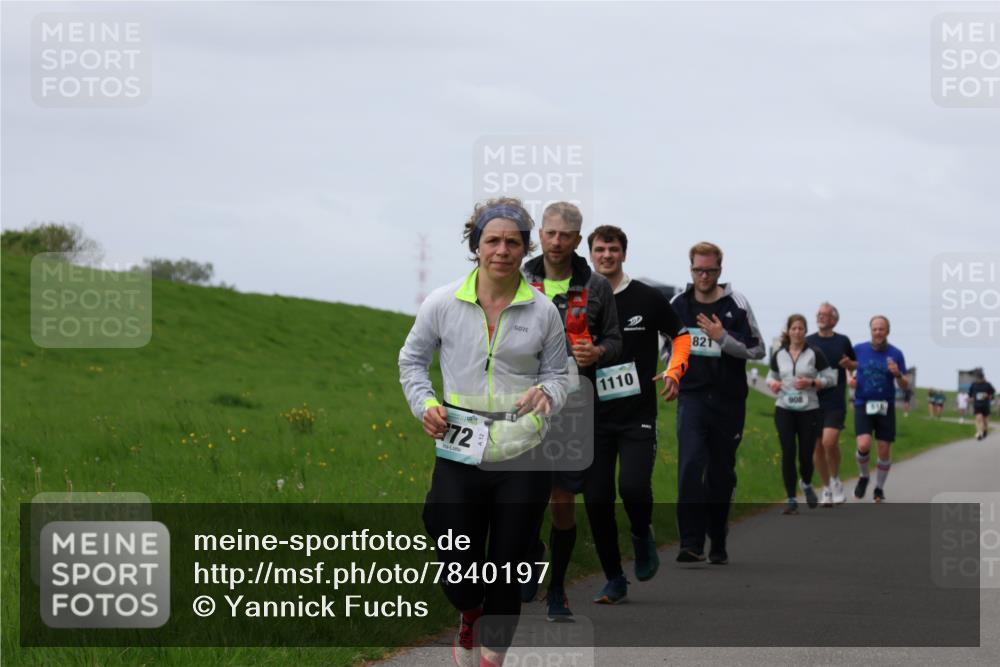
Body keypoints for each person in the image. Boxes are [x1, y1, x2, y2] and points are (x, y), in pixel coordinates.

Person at [398, 198, 570, 667]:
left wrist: (547, 395)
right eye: (492, 240)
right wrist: (426, 404)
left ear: (524, 248)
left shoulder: (542, 311)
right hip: (460, 451)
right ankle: (469, 610)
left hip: (524, 452)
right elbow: (411, 361)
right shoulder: (443, 302)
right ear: (476, 246)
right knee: (458, 565)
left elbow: (559, 373)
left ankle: (493, 655)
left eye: (512, 242)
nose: (502, 250)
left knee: (507, 569)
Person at [520, 202, 622, 622]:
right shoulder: (520, 278)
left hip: (574, 406)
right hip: (523, 405)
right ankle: (530, 552)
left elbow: (615, 341)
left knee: (562, 504)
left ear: (578, 240)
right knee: (524, 499)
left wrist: (596, 350)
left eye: (566, 235)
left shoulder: (596, 286)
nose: (557, 242)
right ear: (540, 235)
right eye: (550, 233)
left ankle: (557, 589)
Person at [584, 225, 691, 604]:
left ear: (623, 254)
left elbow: (680, 334)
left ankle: (642, 532)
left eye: (613, 249)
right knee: (596, 500)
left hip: (637, 414)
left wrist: (675, 369)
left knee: (631, 487)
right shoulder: (580, 298)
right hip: (592, 416)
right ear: (591, 254)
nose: (607, 255)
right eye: (600, 249)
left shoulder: (646, 297)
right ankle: (614, 577)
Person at [670, 242, 766, 564]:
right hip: (692, 397)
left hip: (728, 400)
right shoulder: (678, 304)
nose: (704, 276)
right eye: (698, 270)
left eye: (710, 270)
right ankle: (690, 542)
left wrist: (722, 337)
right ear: (691, 269)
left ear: (720, 270)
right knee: (690, 466)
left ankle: (718, 536)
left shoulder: (736, 304)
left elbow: (757, 349)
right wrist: (672, 371)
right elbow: (665, 349)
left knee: (720, 474)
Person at [767, 314, 837, 514]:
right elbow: (771, 376)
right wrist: (773, 384)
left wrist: (813, 382)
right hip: (784, 409)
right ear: (788, 331)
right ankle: (791, 499)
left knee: (806, 454)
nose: (797, 332)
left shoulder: (815, 353)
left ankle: (806, 483)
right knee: (788, 452)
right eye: (794, 328)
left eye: (801, 328)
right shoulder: (779, 354)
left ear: (805, 332)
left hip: (809, 411)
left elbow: (831, 377)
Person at [849, 315, 909, 503]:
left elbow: (905, 384)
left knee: (883, 449)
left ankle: (879, 489)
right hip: (863, 403)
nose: (878, 332)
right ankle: (864, 476)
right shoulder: (858, 349)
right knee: (864, 444)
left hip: (885, 405)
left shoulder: (896, 353)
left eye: (881, 329)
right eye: (874, 329)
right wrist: (849, 377)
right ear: (870, 331)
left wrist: (897, 373)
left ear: (887, 331)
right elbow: (846, 366)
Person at [805, 302, 856, 506]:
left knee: (829, 442)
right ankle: (826, 488)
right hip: (812, 400)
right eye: (818, 314)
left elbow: (855, 363)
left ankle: (836, 481)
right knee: (816, 447)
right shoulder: (808, 341)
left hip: (835, 399)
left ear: (834, 320)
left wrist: (850, 366)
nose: (820, 317)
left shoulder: (843, 341)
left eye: (825, 314)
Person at [968, 370, 996, 440]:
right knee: (978, 418)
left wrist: (988, 395)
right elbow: (970, 394)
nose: (978, 380)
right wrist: (970, 398)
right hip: (977, 405)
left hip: (985, 405)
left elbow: (993, 394)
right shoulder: (973, 384)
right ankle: (979, 433)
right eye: (977, 378)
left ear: (983, 378)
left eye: (980, 378)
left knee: (985, 421)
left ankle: (985, 430)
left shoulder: (987, 384)